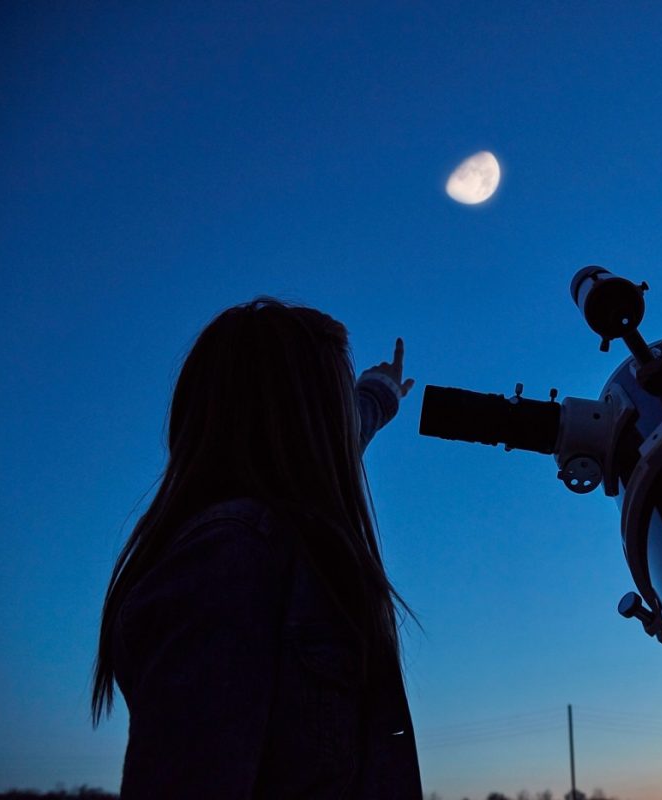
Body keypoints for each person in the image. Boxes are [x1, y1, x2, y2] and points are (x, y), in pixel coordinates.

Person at [90, 297, 421, 798]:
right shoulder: (228, 559)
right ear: (305, 417)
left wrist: (378, 394)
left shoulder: (266, 528)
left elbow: (342, 433)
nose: (342, 423)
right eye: (332, 400)